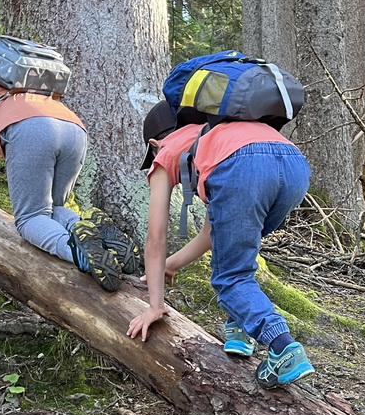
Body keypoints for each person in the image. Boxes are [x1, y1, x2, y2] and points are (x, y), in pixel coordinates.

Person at [126, 99, 313, 388]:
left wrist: (154, 305)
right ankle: (239, 330)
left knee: (230, 277)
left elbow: (155, 237)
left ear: (153, 143)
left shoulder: (168, 152)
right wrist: (170, 265)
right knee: (235, 248)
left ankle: (283, 347)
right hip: (294, 164)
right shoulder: (215, 134)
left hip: (246, 168)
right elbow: (211, 235)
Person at [0, 60, 131, 291]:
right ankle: (96, 234)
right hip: (73, 129)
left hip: (30, 131)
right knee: (52, 209)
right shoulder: (13, 82)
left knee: (31, 218)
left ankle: (80, 253)